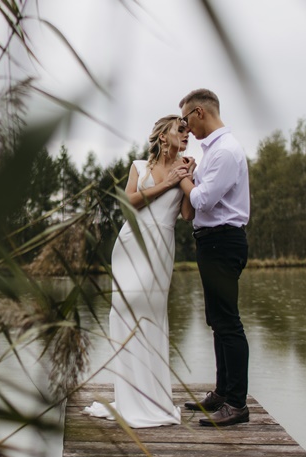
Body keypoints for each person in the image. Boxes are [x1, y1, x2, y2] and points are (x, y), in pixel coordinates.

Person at [83, 115, 194, 428]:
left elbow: (187, 214)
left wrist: (187, 182)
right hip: (132, 243)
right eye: (180, 130)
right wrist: (167, 183)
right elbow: (128, 203)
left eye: (188, 133)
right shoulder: (138, 166)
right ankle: (130, 395)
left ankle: (152, 396)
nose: (186, 137)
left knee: (152, 316)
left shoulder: (186, 167)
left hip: (161, 246)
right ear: (162, 137)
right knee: (125, 309)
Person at [177, 89, 251, 427]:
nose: (186, 128)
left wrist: (184, 180)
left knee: (227, 321)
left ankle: (236, 404)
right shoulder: (213, 152)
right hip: (212, 242)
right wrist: (192, 175)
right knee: (217, 320)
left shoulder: (225, 151)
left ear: (199, 112)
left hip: (223, 241)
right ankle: (223, 393)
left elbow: (203, 200)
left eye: (186, 120)